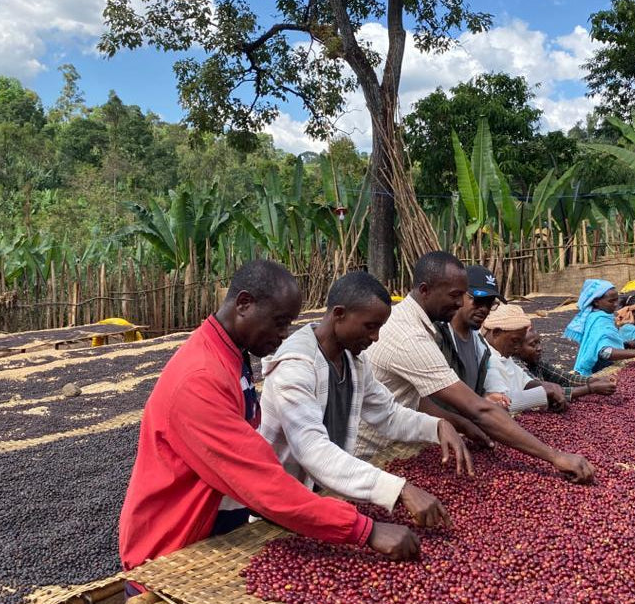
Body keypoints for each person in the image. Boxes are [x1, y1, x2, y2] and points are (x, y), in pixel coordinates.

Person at [119, 262, 421, 599]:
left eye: (289, 324)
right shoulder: (200, 379)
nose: (284, 335)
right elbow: (261, 480)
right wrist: (366, 530)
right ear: (244, 304)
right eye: (280, 323)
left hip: (211, 533)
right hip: (170, 548)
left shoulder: (231, 354)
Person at [252, 271, 472, 529]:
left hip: (324, 497)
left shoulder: (352, 361)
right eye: (370, 326)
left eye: (379, 328)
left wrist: (437, 426)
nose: (376, 337)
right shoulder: (296, 367)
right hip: (278, 508)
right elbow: (312, 450)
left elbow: (388, 414)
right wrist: (398, 489)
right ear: (339, 314)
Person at [357, 251, 596, 484]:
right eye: (455, 295)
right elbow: (478, 410)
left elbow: (414, 397)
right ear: (425, 290)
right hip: (369, 454)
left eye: (464, 295)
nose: (461, 302)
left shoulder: (434, 330)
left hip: (401, 442)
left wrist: (462, 425)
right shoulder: (411, 337)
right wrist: (555, 457)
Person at [434, 265, 537, 411]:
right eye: (478, 300)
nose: (484, 309)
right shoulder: (437, 337)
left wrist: (490, 397)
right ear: (458, 295)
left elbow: (490, 391)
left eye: (489, 303)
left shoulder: (481, 346)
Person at [480, 304, 570, 412]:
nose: (517, 347)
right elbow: (502, 403)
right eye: (514, 341)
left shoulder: (504, 356)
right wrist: (543, 393)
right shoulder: (486, 358)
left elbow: (524, 381)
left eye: (521, 342)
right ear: (496, 333)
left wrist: (548, 386)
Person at [563, 279, 635, 376]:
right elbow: (605, 352)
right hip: (595, 372)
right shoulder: (600, 320)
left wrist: (628, 344)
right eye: (611, 301)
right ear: (596, 302)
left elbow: (598, 344)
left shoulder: (597, 316)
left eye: (616, 299)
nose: (616, 304)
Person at [516, 326, 617, 398]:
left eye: (539, 343)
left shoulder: (536, 363)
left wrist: (596, 380)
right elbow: (545, 392)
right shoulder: (516, 366)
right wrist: (591, 388)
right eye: (533, 345)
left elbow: (566, 379)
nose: (540, 348)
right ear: (516, 348)